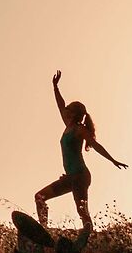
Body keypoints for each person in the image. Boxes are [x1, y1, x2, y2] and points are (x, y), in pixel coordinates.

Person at [34, 71, 126, 234]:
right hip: (70, 177)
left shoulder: (79, 130)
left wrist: (113, 160)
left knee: (82, 211)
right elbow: (60, 104)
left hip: (80, 176)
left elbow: (95, 145)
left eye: (69, 108)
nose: (65, 109)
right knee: (40, 197)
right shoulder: (68, 125)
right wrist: (55, 87)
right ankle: (44, 230)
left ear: (74, 113)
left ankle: (90, 238)